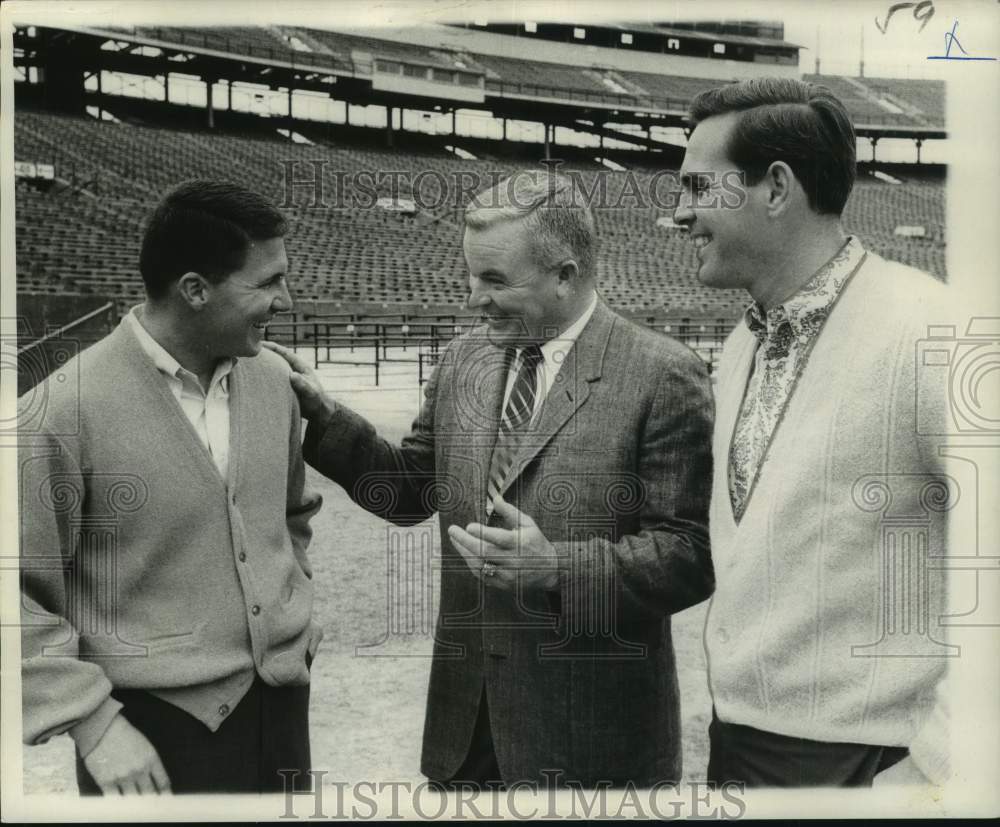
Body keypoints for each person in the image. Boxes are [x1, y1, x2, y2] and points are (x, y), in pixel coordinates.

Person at [266, 170, 714, 788]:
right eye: (471, 276)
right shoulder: (463, 358)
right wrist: (322, 418)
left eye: (496, 281)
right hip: (465, 731)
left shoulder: (664, 376)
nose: (474, 298)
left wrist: (556, 566)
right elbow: (406, 491)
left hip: (590, 743)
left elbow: (690, 555)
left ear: (565, 274)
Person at [673, 77, 952, 787]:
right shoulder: (741, 346)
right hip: (740, 745)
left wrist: (942, 762)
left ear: (775, 188)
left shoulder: (929, 329)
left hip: (872, 761)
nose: (681, 213)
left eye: (700, 188)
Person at [18, 180, 323, 795]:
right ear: (195, 290)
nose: (284, 300)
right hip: (148, 735)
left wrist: (295, 614)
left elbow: (291, 517)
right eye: (266, 283)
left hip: (281, 708)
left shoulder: (274, 383)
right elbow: (13, 592)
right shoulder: (59, 411)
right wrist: (93, 725)